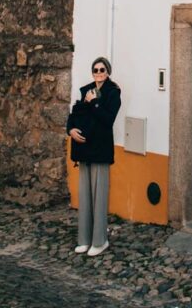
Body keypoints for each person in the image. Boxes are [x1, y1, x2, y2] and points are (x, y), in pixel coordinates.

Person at [66, 56, 121, 256]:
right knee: (85, 195)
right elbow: (75, 114)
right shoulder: (85, 90)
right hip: (84, 149)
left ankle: (100, 240)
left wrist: (94, 102)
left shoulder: (113, 92)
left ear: (108, 72)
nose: (98, 73)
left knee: (99, 196)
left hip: (100, 150)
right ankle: (84, 239)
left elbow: (108, 119)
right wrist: (70, 130)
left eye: (102, 69)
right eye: (95, 70)